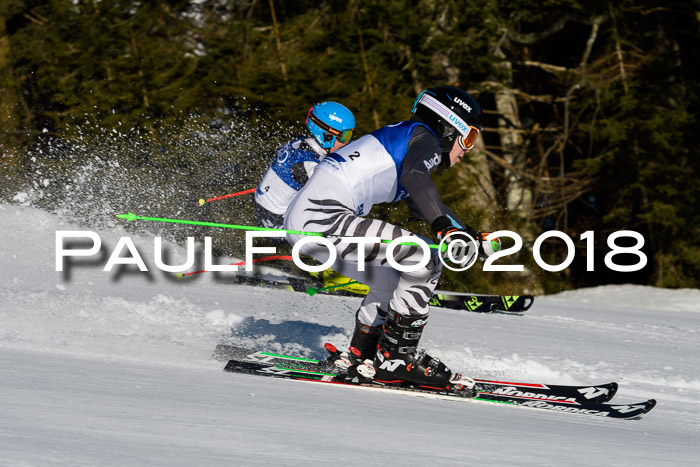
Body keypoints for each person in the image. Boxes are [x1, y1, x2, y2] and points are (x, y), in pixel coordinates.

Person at [284, 86, 499, 390]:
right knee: (422, 259)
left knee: (388, 279)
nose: (467, 150)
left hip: (309, 220)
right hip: (323, 217)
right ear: (450, 127)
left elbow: (419, 199)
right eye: (469, 138)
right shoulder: (425, 137)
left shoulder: (407, 137)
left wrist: (465, 233)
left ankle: (362, 354)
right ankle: (397, 359)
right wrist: (445, 229)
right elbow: (416, 178)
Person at [254, 101, 356, 230]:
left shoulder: (303, 143)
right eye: (345, 136)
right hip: (274, 220)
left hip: (265, 207)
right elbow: (335, 191)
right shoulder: (307, 163)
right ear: (327, 135)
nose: (347, 142)